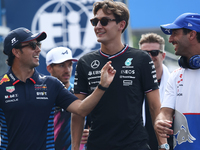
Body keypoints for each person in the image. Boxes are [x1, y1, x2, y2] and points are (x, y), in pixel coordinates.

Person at [71, 1, 166, 150]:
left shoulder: (141, 59)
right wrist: (75, 147)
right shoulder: (85, 62)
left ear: (121, 25)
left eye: (104, 21)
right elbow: (77, 113)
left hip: (135, 145)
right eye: (95, 21)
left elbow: (154, 107)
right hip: (98, 145)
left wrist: (163, 144)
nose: (98, 26)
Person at [0, 27, 116, 150]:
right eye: (32, 45)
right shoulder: (1, 86)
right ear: (16, 52)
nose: (38, 49)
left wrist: (102, 85)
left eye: (38, 44)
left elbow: (81, 109)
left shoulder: (51, 84)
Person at [154, 12, 200, 150]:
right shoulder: (175, 76)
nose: (170, 39)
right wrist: (160, 121)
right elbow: (165, 112)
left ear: (192, 34)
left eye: (175, 33)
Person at [46, 47, 89, 150]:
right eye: (61, 65)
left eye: (70, 65)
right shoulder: (41, 95)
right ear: (49, 68)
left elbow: (93, 124)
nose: (67, 70)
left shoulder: (81, 95)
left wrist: (90, 133)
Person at [139, 33, 172, 150]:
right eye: (144, 53)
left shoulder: (175, 83)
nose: (149, 56)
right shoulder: (131, 85)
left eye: (154, 53)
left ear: (163, 56)